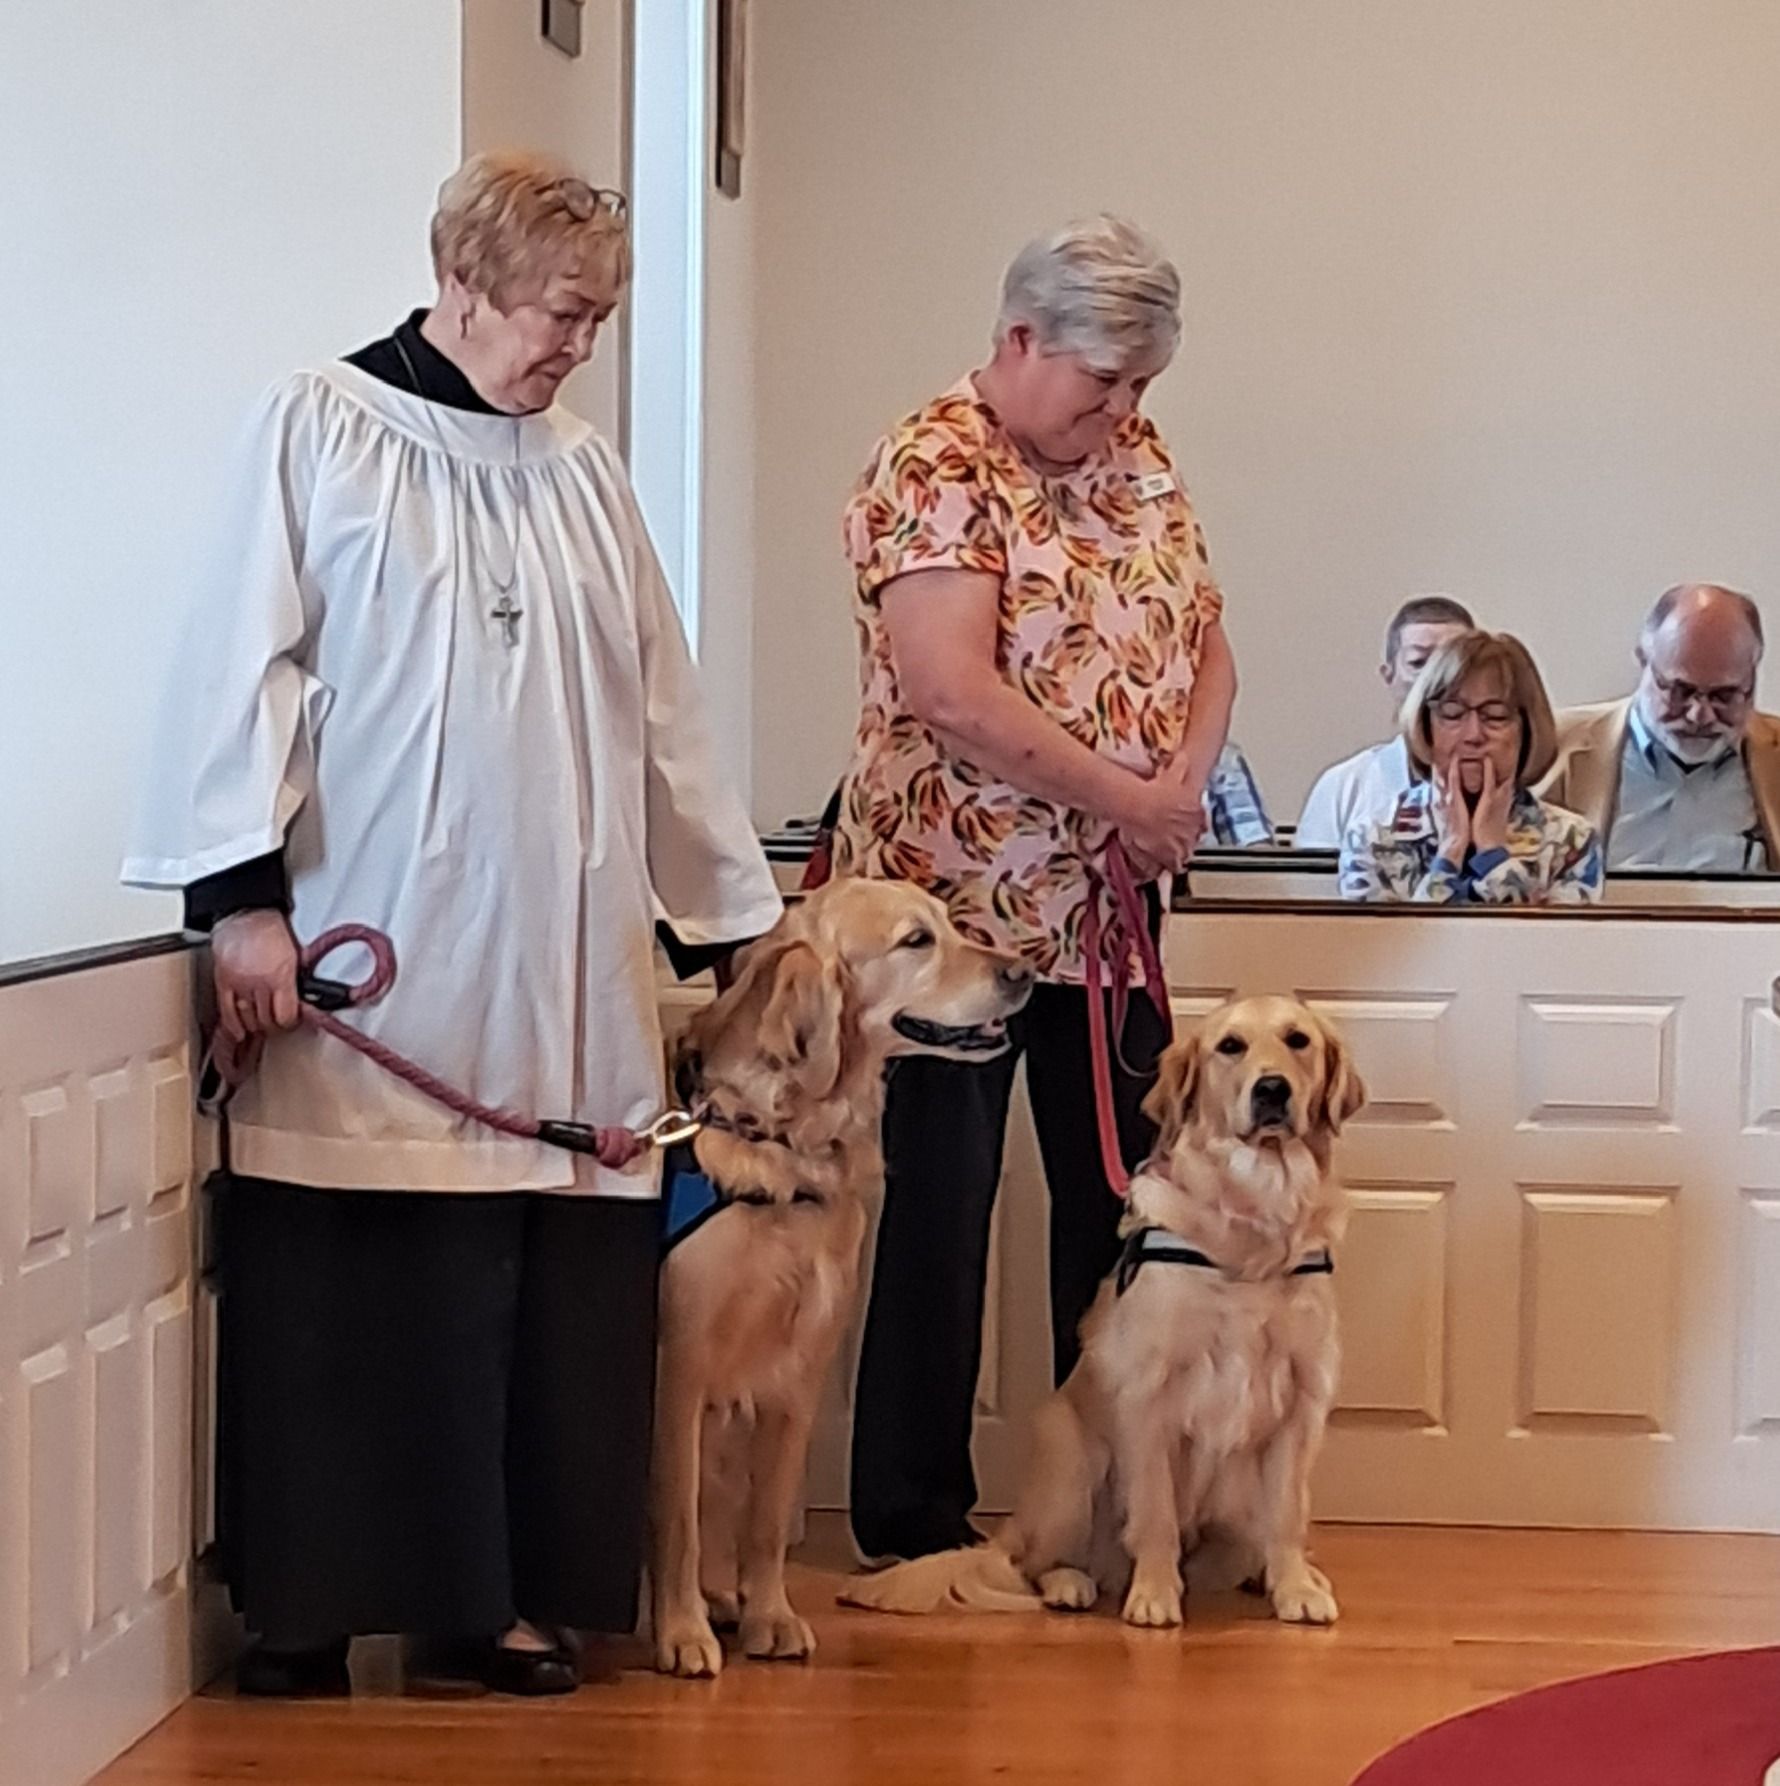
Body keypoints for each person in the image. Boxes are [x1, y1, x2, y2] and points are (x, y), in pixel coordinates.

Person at [121, 151, 782, 1697]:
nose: (578, 344)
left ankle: (492, 1603)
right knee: (357, 1288)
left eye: (601, 319)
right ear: (467, 279)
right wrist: (240, 907)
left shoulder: (586, 470)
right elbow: (235, 667)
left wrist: (728, 919)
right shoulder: (320, 428)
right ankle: (305, 1606)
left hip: (559, 970)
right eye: (563, 311)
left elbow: (660, 709)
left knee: (534, 1291)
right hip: (380, 955)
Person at [831, 215, 1237, 1561]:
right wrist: (1123, 799)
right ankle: (913, 1514)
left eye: (1140, 389)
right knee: (943, 1212)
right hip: (954, 912)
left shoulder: (1135, 456)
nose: (1121, 412)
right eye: (1101, 383)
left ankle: (1112, 1503)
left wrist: (1171, 795)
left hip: (1112, 906)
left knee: (1125, 1203)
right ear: (1019, 340)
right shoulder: (936, 460)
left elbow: (1207, 637)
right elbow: (952, 691)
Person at [1339, 631, 1601, 904]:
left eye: (1495, 716)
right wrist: (1450, 852)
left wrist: (1493, 855)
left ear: (1527, 730)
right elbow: (1405, 944)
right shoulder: (1372, 838)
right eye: (1452, 714)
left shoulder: (1572, 842)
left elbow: (1544, 945)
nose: (1473, 735)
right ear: (1426, 726)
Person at [1540, 584, 1780, 872]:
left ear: (1751, 680)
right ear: (1643, 663)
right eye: (1681, 691)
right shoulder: (1550, 745)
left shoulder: (1772, 758)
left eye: (1723, 696)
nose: (1699, 715)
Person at [1295, 595, 1475, 846]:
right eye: (1419, 663)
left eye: (1452, 663)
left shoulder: (1510, 787)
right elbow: (1313, 885)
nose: (1437, 679)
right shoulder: (1344, 786)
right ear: (1389, 676)